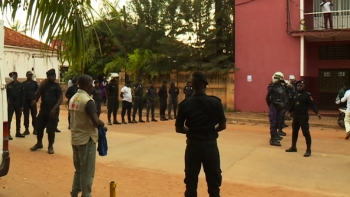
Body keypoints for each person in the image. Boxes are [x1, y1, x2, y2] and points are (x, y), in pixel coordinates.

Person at [175, 71, 226, 197]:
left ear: (192, 85)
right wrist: (210, 131)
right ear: (205, 85)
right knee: (214, 185)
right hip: (210, 147)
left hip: (193, 147)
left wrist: (192, 131)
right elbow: (223, 125)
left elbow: (179, 128)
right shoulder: (215, 102)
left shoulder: (185, 104)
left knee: (191, 184)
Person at [69, 74, 104, 197]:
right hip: (86, 140)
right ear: (85, 85)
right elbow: (95, 121)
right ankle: (86, 194)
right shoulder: (88, 101)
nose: (92, 86)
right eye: (91, 84)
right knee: (87, 172)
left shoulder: (73, 98)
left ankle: (74, 193)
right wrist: (101, 123)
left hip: (75, 139)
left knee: (78, 170)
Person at [30, 69, 63, 154]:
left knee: (51, 129)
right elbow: (36, 95)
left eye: (55, 76)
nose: (54, 78)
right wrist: (41, 86)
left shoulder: (56, 86)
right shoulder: (43, 85)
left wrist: (54, 109)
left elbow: (60, 99)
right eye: (52, 76)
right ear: (48, 77)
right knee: (39, 127)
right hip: (44, 110)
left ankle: (50, 146)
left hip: (53, 111)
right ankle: (39, 143)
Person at [285, 80, 321, 157]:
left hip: (303, 117)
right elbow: (292, 105)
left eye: (301, 85)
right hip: (296, 117)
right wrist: (288, 111)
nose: (299, 87)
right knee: (294, 132)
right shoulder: (295, 95)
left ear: (304, 86)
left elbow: (312, 105)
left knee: (306, 133)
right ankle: (293, 147)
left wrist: (317, 112)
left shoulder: (307, 95)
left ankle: (308, 150)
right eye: (298, 86)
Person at [265, 72, 288, 146]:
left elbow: (284, 97)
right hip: (274, 106)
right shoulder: (272, 87)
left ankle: (275, 136)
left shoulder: (282, 86)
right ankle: (272, 139)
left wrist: (284, 106)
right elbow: (267, 97)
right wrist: (270, 105)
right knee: (273, 122)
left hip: (280, 107)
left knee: (279, 121)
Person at [6, 71, 25, 139]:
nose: (11, 78)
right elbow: (6, 96)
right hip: (11, 103)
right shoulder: (8, 85)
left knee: (18, 118)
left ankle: (18, 132)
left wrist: (22, 106)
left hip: (18, 103)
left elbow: (23, 96)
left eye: (12, 76)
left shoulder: (21, 85)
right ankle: (8, 133)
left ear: (16, 77)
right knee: (9, 118)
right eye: (10, 76)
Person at [22, 71, 38, 135]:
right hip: (25, 103)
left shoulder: (35, 83)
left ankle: (35, 129)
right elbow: (21, 94)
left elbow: (38, 93)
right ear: (26, 76)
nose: (30, 76)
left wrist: (35, 100)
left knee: (34, 116)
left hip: (33, 102)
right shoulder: (23, 84)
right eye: (29, 75)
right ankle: (26, 129)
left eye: (31, 75)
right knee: (26, 116)